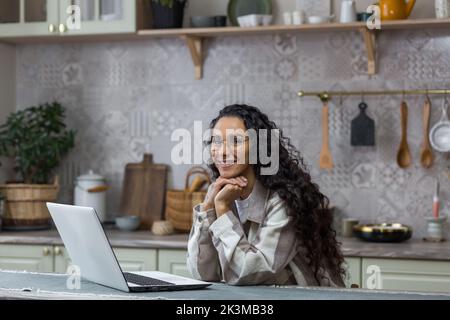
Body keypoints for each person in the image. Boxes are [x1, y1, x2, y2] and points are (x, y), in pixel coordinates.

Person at [187, 104, 345, 287]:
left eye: (236, 141)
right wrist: (207, 208)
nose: (222, 152)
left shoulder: (284, 201)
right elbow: (202, 273)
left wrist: (222, 210)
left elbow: (248, 273)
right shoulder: (221, 195)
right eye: (216, 141)